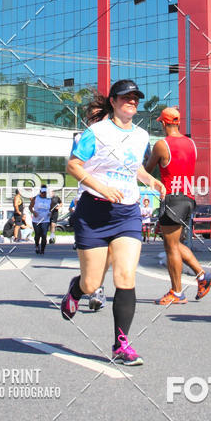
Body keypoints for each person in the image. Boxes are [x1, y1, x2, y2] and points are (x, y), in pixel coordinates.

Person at [61, 79, 166, 365]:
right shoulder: (96, 132)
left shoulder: (143, 135)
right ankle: (76, 289)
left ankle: (121, 345)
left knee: (125, 277)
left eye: (135, 98)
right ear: (113, 101)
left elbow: (133, 170)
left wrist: (151, 180)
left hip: (126, 213)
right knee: (92, 281)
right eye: (126, 97)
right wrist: (102, 188)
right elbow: (73, 165)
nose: (131, 101)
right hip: (94, 213)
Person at [144, 106, 211, 305]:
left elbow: (147, 170)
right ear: (177, 122)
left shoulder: (161, 144)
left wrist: (145, 159)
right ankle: (202, 276)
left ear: (163, 123)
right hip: (188, 198)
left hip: (172, 198)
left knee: (170, 247)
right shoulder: (191, 143)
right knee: (175, 244)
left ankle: (177, 292)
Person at [30, 185, 51, 255]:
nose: (43, 194)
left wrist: (50, 212)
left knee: (44, 235)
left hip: (45, 220)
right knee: (37, 234)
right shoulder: (36, 198)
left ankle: (42, 249)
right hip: (36, 220)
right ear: (40, 192)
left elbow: (53, 208)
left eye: (45, 192)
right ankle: (36, 245)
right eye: (42, 193)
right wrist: (33, 212)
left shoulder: (49, 199)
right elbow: (30, 207)